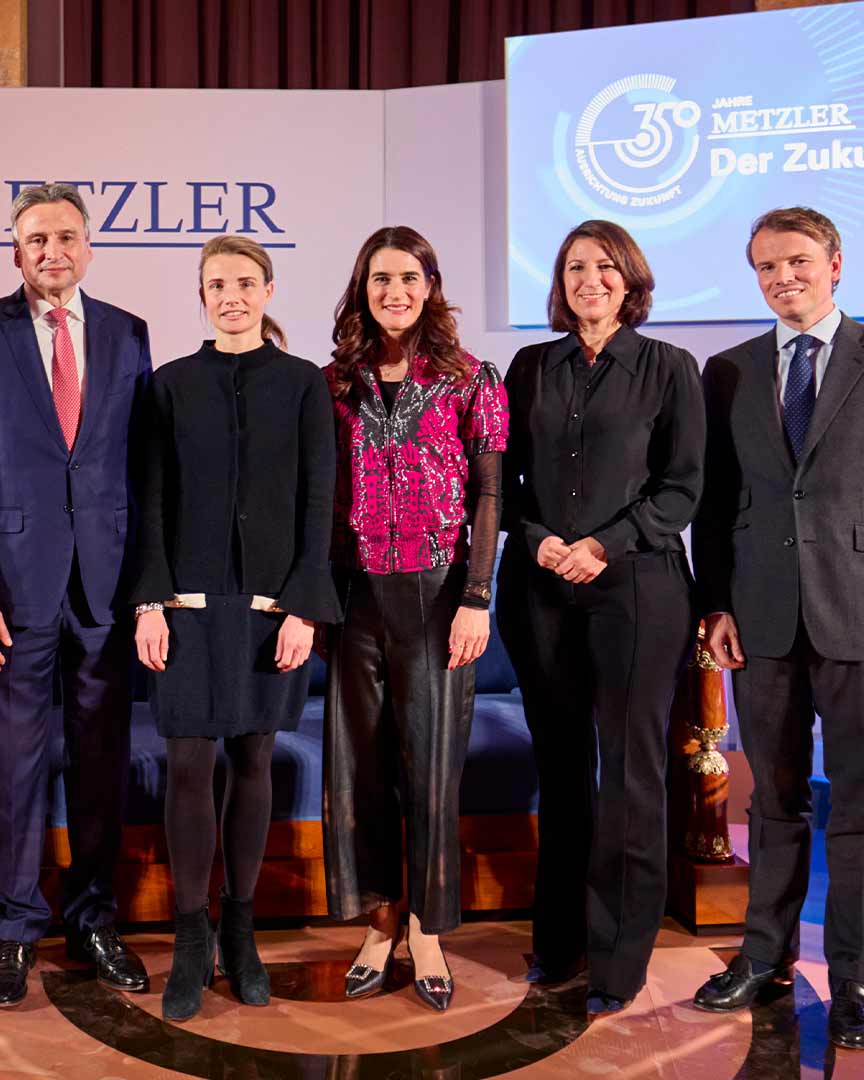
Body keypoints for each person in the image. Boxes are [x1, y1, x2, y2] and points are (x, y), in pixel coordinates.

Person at [691, 207, 864, 1050]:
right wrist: (716, 605)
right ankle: (763, 957)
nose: (782, 278)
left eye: (797, 261)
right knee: (773, 802)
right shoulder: (727, 371)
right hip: (761, 620)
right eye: (766, 267)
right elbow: (718, 504)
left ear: (835, 264)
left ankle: (853, 980)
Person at [0, 183, 152, 1006]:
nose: (51, 251)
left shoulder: (129, 334)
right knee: (14, 766)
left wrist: (147, 590)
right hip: (10, 591)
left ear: (88, 246)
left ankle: (95, 920)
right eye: (35, 239)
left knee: (103, 763)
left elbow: (141, 470)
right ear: (14, 253)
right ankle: (16, 930)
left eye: (65, 236)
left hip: (105, 586)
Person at [128, 235, 340, 1021]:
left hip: (271, 612)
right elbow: (147, 499)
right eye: (217, 285)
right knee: (188, 767)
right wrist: (147, 602)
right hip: (184, 607)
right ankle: (191, 939)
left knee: (254, 764)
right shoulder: (169, 386)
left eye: (245, 284)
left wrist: (306, 608)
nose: (232, 297)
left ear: (270, 291)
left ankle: (242, 933)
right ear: (202, 296)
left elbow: (320, 501)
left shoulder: (303, 384)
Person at [496, 219, 703, 1016]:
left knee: (629, 774)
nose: (590, 279)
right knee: (561, 768)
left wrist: (606, 545)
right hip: (543, 588)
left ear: (630, 279)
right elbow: (504, 480)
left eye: (605, 267)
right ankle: (559, 941)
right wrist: (544, 539)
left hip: (638, 593)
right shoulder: (530, 367)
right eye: (576, 267)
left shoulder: (669, 368)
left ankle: (620, 959)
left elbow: (683, 487)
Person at [322, 226, 508, 1013]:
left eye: (407, 277)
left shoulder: (471, 378)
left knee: (431, 772)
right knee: (359, 769)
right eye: (379, 279)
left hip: (439, 598)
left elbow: (493, 497)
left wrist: (477, 594)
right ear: (362, 289)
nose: (393, 291)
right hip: (354, 595)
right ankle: (381, 919)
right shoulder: (335, 383)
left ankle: (429, 928)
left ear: (431, 284)